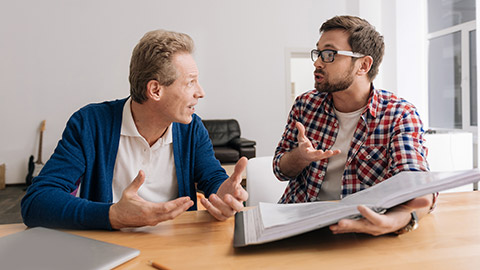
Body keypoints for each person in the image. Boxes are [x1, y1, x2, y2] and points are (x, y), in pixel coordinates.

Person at [21, 29, 248, 230]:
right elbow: (36, 201)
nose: (200, 92)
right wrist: (113, 216)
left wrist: (224, 194)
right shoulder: (90, 123)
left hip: (178, 250)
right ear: (155, 90)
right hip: (108, 249)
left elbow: (212, 178)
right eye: (190, 82)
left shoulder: (192, 129)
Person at [273, 15, 435, 236]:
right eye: (318, 53)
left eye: (329, 54)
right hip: (297, 224)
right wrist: (300, 157)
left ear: (363, 65)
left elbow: (417, 187)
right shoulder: (305, 105)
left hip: (360, 230)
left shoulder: (399, 114)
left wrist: (396, 221)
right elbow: (280, 170)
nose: (317, 62)